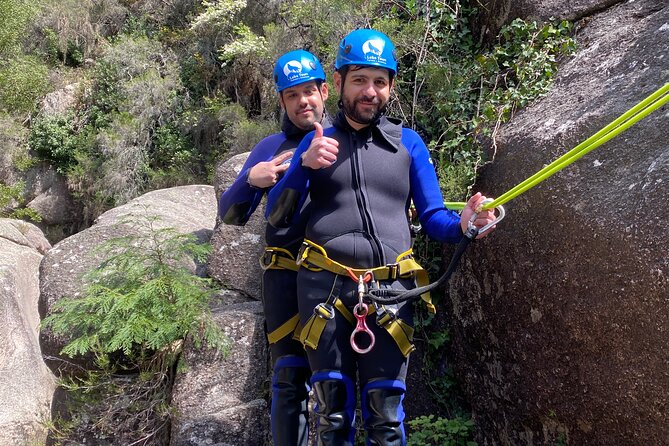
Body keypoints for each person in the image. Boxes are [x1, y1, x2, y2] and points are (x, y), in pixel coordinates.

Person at [266, 29, 497, 445]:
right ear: (337, 82)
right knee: (332, 415)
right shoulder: (313, 142)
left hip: (391, 291)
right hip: (323, 289)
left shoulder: (408, 145)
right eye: (359, 80)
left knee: (387, 417)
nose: (370, 92)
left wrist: (464, 223)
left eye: (379, 81)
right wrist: (303, 165)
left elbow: (432, 218)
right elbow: (278, 219)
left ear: (390, 86)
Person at [218, 49, 331, 446]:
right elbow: (231, 216)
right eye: (292, 94)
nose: (303, 101)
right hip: (284, 274)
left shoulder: (347, 137)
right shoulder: (271, 147)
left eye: (309, 91)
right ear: (282, 100)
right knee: (288, 379)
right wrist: (252, 178)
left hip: (336, 277)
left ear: (324, 91)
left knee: (338, 384)